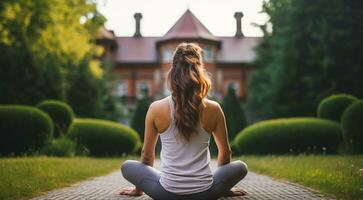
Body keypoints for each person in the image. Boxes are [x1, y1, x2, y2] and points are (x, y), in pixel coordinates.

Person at [119, 42, 248, 200]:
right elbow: (225, 153)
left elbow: (146, 155)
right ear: (200, 71)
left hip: (165, 194)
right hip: (207, 193)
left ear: (172, 72)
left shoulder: (156, 108)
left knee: (127, 166)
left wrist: (138, 190)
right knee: (241, 167)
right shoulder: (214, 108)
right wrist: (225, 188)